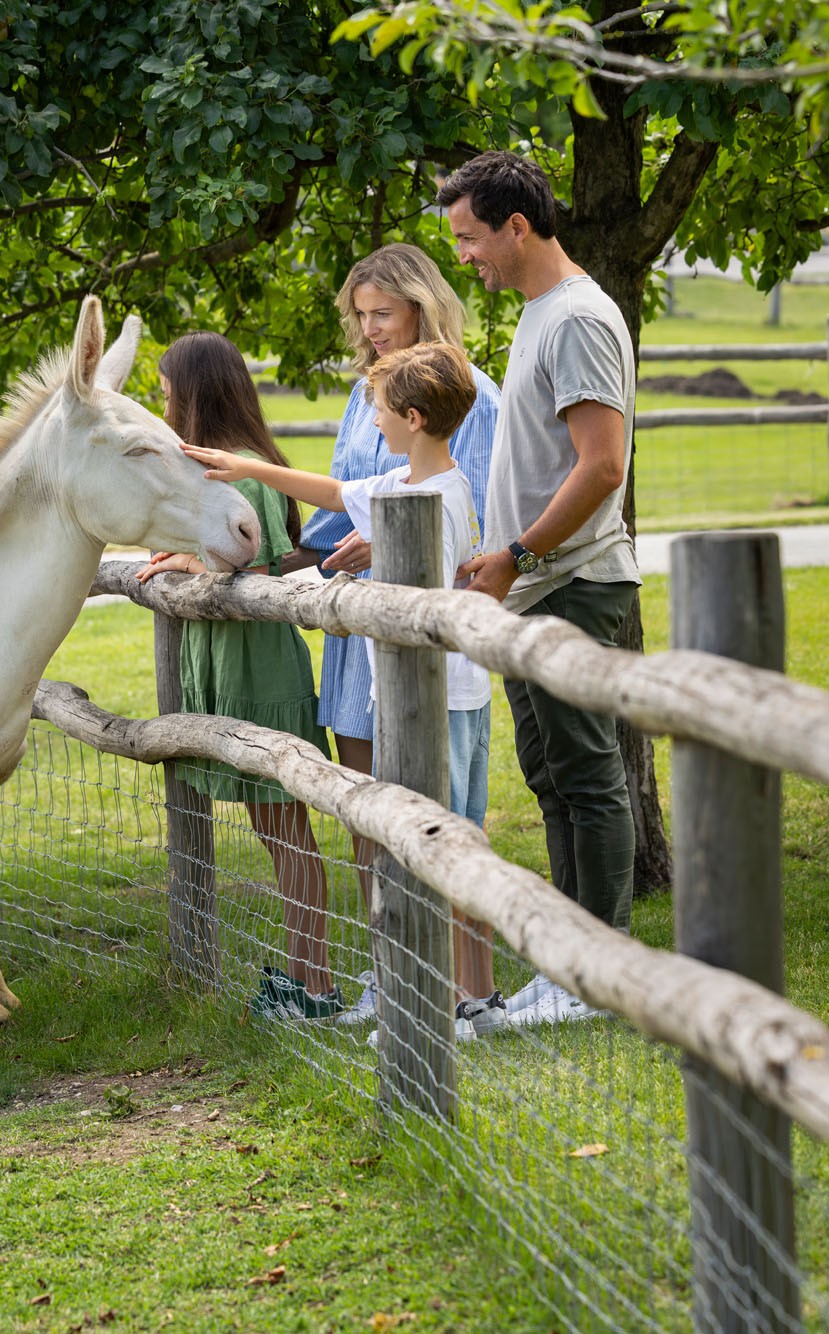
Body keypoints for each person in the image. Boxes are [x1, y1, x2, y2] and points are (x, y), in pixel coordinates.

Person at [184, 342, 506, 1036]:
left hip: (437, 698)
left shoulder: (434, 498)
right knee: (436, 836)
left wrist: (361, 577)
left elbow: (424, 578)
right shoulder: (407, 483)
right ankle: (464, 993)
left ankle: (446, 998)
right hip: (430, 694)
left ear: (414, 418)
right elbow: (333, 495)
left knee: (433, 840)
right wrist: (246, 466)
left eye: (382, 412)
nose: (375, 423)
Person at [441, 150, 639, 1028]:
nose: (463, 257)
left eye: (470, 237)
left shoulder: (576, 320)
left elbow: (603, 467)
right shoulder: (537, 315)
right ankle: (567, 969)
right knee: (554, 776)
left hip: (569, 584)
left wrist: (516, 554)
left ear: (517, 226)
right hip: (533, 587)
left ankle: (598, 978)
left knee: (586, 777)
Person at [296, 243, 503, 1025]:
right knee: (367, 811)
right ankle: (394, 975)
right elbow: (352, 490)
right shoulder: (366, 394)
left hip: (421, 615)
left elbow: (466, 505)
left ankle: (470, 987)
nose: (372, 328)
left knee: (447, 810)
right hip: (359, 626)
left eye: (383, 312)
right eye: (361, 315)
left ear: (421, 303)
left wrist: (388, 540)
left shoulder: (468, 391)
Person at [136, 332, 338, 1020]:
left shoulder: (243, 471)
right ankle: (304, 972)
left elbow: (253, 566)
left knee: (285, 828)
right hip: (228, 660)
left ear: (194, 395)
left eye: (167, 393)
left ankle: (317, 986)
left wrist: (186, 565)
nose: (161, 404)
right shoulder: (212, 472)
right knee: (271, 826)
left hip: (258, 664)